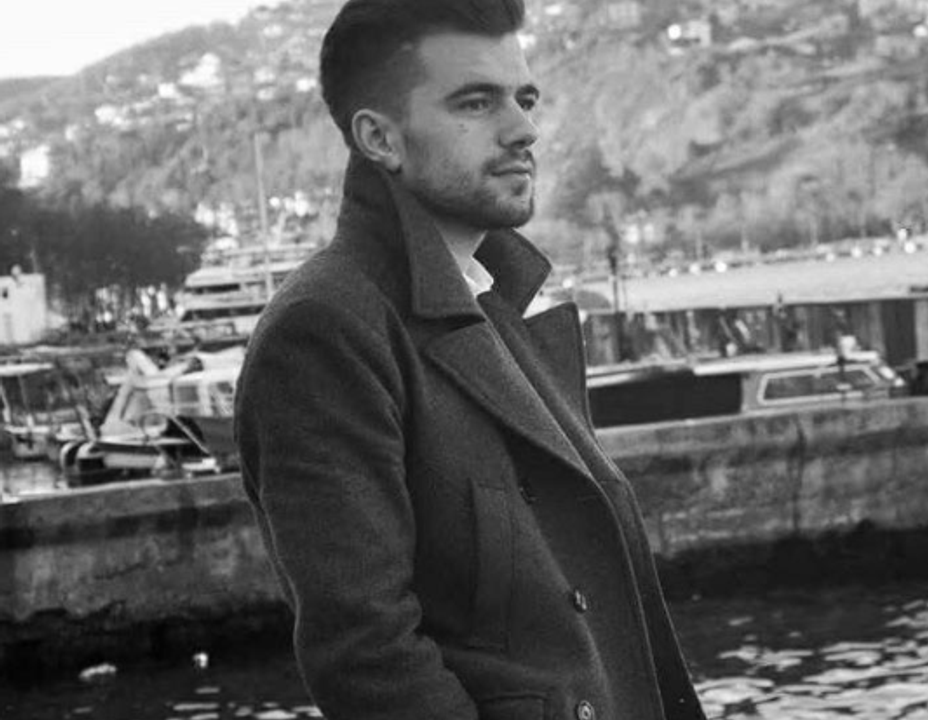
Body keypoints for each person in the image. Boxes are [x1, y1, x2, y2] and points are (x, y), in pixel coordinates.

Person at [233, 1, 707, 719]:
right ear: (380, 138)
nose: (524, 130)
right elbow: (366, 655)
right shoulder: (326, 330)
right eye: (476, 103)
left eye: (525, 99)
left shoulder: (493, 303)